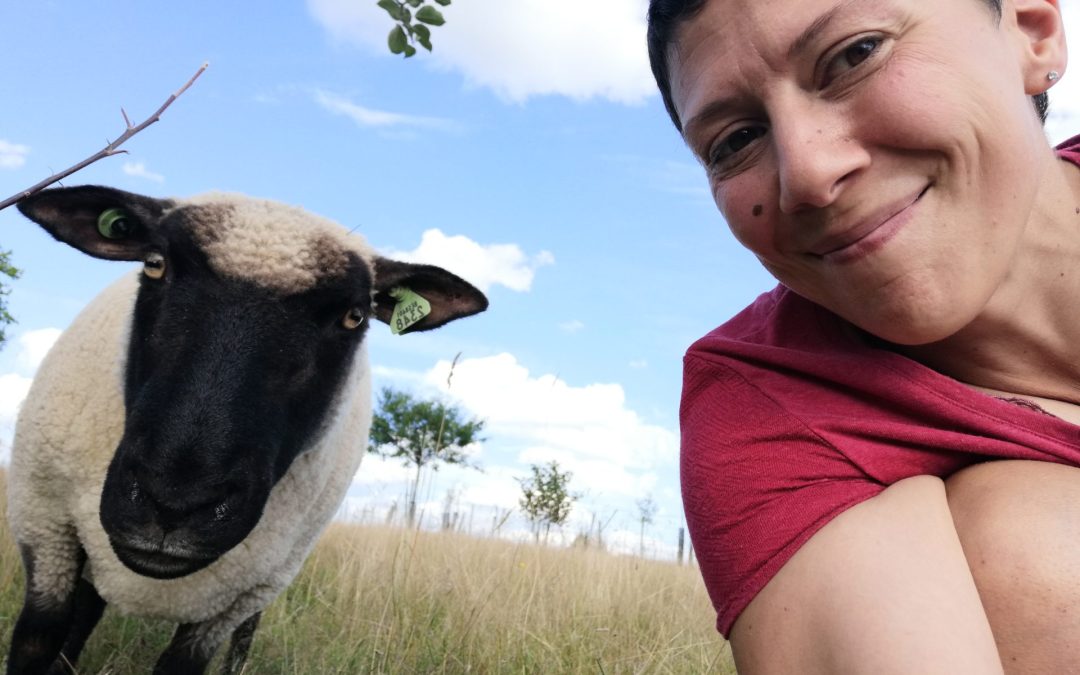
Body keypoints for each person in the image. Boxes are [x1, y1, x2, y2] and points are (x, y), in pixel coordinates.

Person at [646, 0, 1080, 671]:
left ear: (1032, 33)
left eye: (856, 54)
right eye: (735, 141)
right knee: (1019, 548)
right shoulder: (772, 400)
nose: (808, 174)